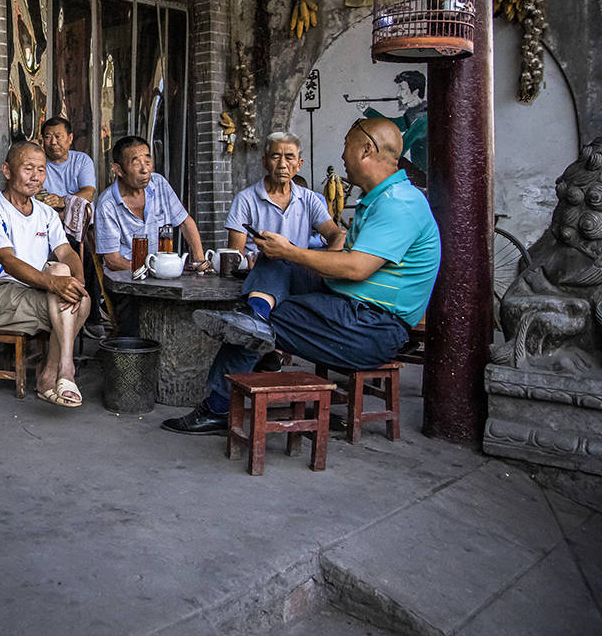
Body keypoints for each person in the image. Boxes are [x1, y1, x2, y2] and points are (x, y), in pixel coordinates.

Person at [163, 118, 440, 435]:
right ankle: (255, 317)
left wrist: (292, 251)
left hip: (371, 327)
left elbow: (356, 267)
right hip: (349, 306)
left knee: (261, 321)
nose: (342, 156)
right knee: (275, 265)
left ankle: (218, 406)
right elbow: (341, 258)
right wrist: (286, 253)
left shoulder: (399, 204)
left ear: (366, 149)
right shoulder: (379, 200)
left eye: (346, 145)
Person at [0, 141, 91, 408]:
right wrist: (56, 284)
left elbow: (66, 252)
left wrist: (77, 282)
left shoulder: (46, 213)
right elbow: (8, 262)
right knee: (68, 301)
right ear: (7, 170)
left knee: (79, 295)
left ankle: (53, 370)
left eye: (41, 169)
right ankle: (62, 371)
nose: (35, 176)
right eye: (28, 168)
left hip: (34, 290)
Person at [95, 135, 211, 335]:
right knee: (134, 328)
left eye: (147, 161)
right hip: (128, 281)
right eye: (136, 162)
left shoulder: (159, 184)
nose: (145, 169)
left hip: (162, 275)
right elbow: (113, 261)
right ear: (118, 170)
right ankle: (133, 359)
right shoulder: (107, 204)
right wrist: (150, 269)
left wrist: (200, 260)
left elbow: (185, 222)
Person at [225, 132, 345, 261]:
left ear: (299, 164)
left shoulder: (308, 199)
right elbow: (235, 254)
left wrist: (329, 262)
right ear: (265, 162)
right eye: (275, 157)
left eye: (289, 158)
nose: (282, 164)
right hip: (257, 275)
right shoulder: (245, 200)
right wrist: (246, 266)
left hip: (297, 273)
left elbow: (335, 235)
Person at [39, 115, 106, 339]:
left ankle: (92, 315)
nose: (53, 142)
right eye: (47, 137)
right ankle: (63, 316)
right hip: (47, 225)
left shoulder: (81, 160)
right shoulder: (39, 163)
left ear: (70, 138)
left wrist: (62, 201)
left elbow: (88, 192)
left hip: (81, 228)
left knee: (87, 255)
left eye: (58, 136)